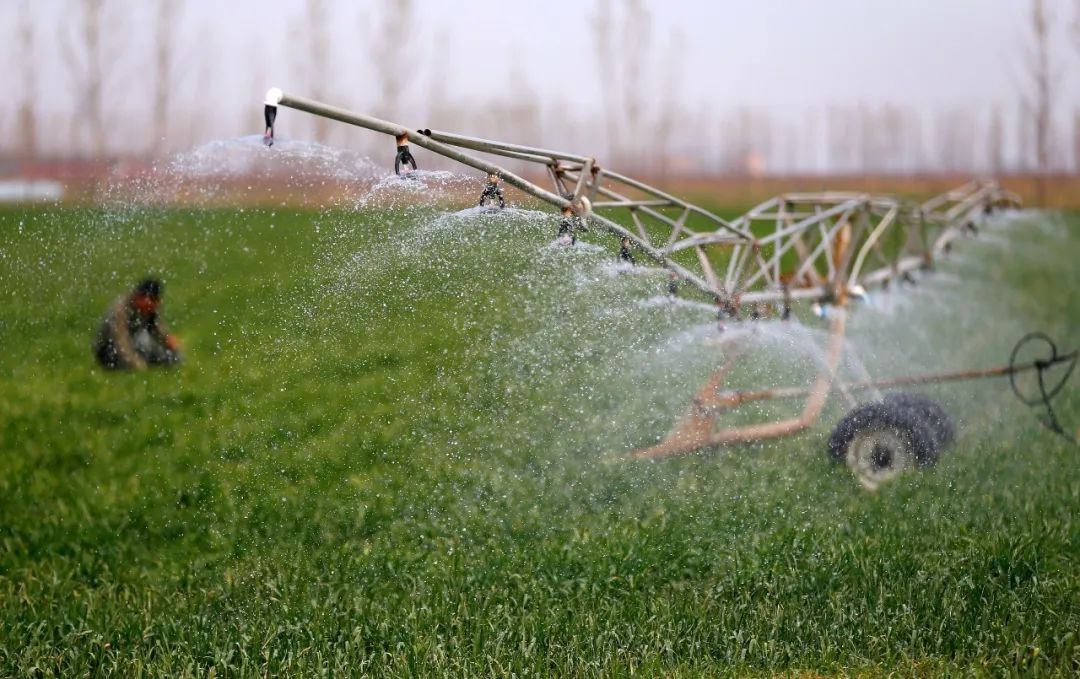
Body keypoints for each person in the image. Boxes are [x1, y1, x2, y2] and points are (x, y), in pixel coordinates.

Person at [94, 278, 182, 370]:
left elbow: (158, 329)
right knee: (143, 345)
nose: (152, 306)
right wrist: (136, 362)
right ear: (139, 297)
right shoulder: (121, 309)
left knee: (165, 356)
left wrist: (172, 344)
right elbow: (121, 341)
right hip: (110, 349)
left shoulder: (148, 308)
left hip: (132, 343)